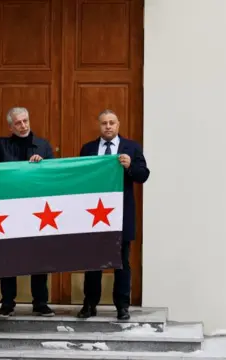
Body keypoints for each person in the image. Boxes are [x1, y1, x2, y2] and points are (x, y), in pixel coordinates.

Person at [0, 102, 55, 318]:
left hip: (37, 210)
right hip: (10, 208)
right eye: (18, 123)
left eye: (25, 121)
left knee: (39, 257)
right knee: (8, 257)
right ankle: (7, 303)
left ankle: (40, 302)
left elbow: (54, 174)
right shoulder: (3, 144)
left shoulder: (43, 145)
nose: (23, 126)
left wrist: (44, 164)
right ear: (11, 127)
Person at [77, 109, 150, 320]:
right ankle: (89, 304)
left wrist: (129, 167)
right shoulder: (88, 149)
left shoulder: (132, 147)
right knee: (93, 261)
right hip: (94, 214)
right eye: (104, 123)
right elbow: (81, 177)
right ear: (99, 126)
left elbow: (143, 175)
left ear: (118, 125)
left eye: (112, 123)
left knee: (122, 262)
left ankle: (122, 306)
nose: (108, 126)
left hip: (121, 215)